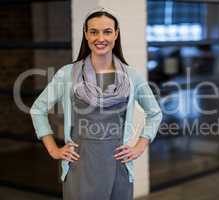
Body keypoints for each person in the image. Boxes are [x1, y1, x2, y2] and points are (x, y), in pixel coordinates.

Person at [30, 7, 162, 200]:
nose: (101, 38)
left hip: (118, 165)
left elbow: (155, 113)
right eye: (94, 32)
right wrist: (53, 150)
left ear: (116, 34)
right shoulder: (67, 74)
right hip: (81, 164)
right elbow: (37, 109)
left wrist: (139, 146)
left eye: (107, 31)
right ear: (86, 34)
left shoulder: (131, 76)